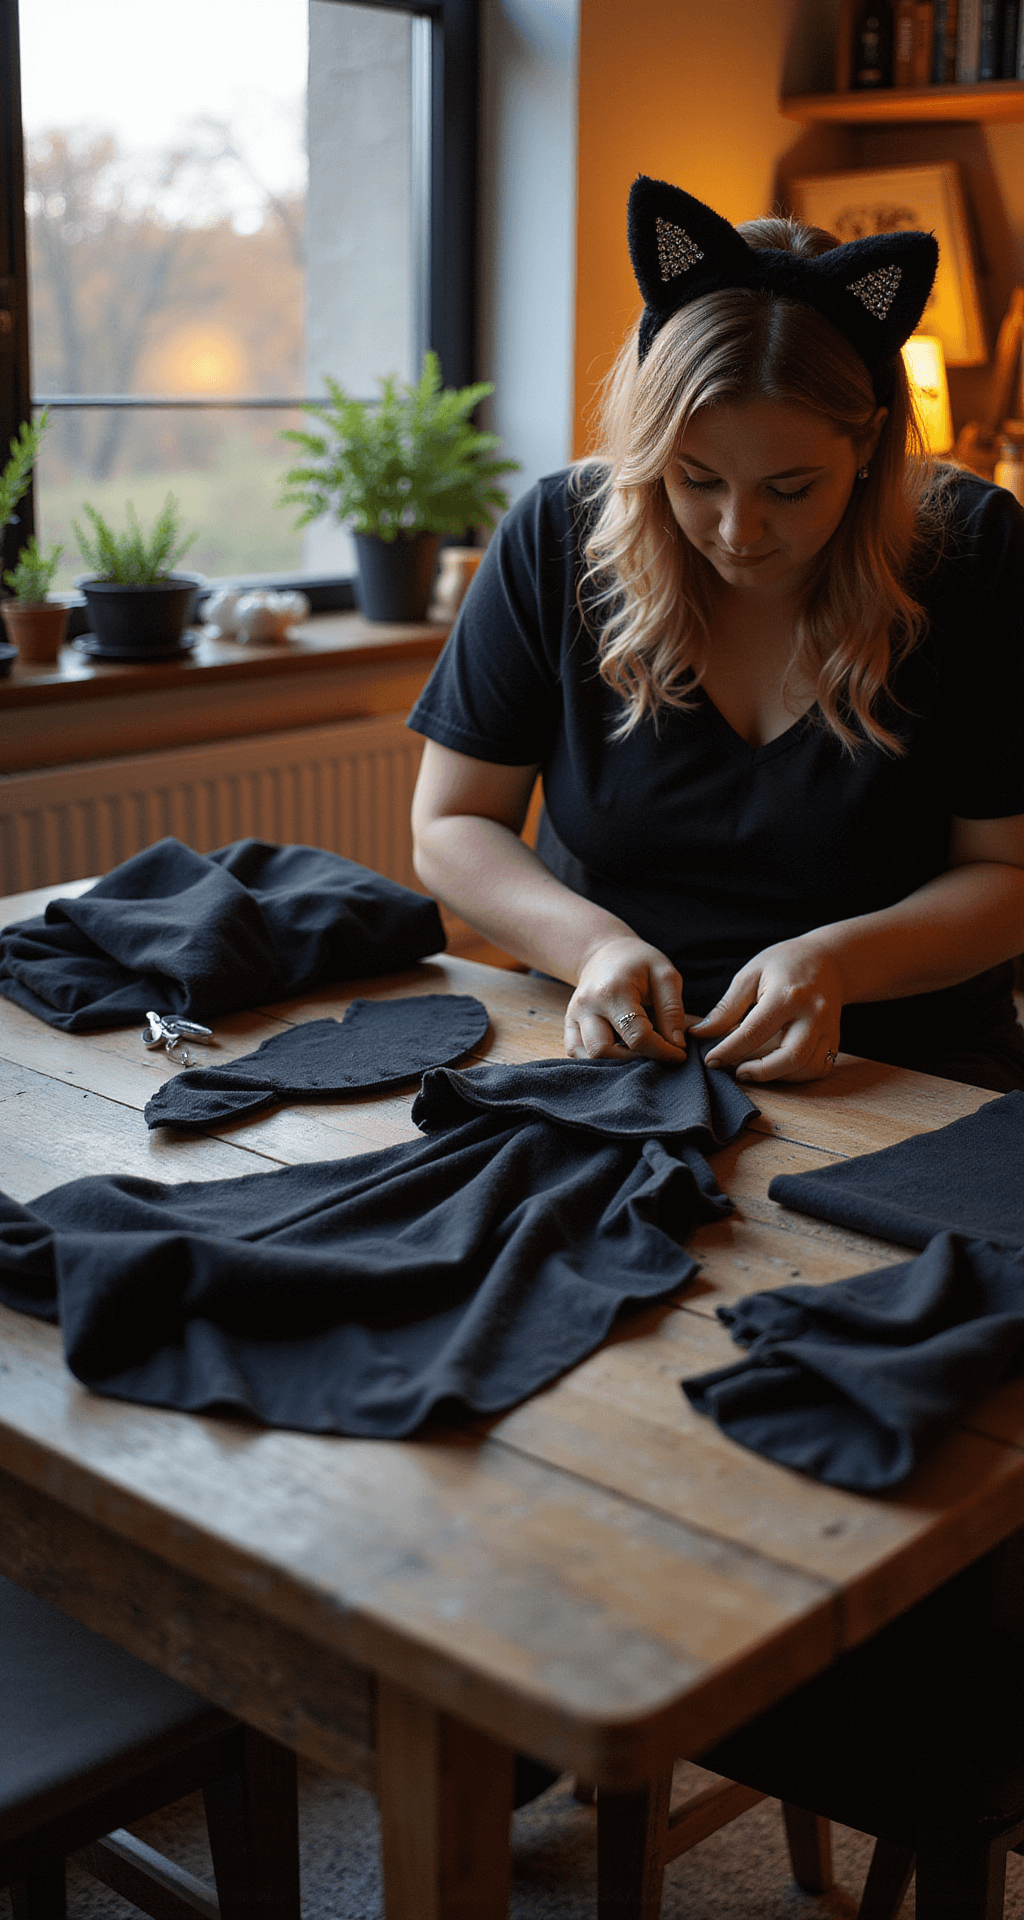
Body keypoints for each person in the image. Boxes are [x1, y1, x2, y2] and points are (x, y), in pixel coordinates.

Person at [408, 176, 1024, 1091]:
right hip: (605, 1045)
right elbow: (452, 824)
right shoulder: (557, 534)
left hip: (902, 1065)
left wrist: (839, 966)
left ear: (868, 447)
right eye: (695, 479)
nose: (739, 531)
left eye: (789, 489)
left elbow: (1007, 874)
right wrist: (595, 947)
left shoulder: (974, 550)